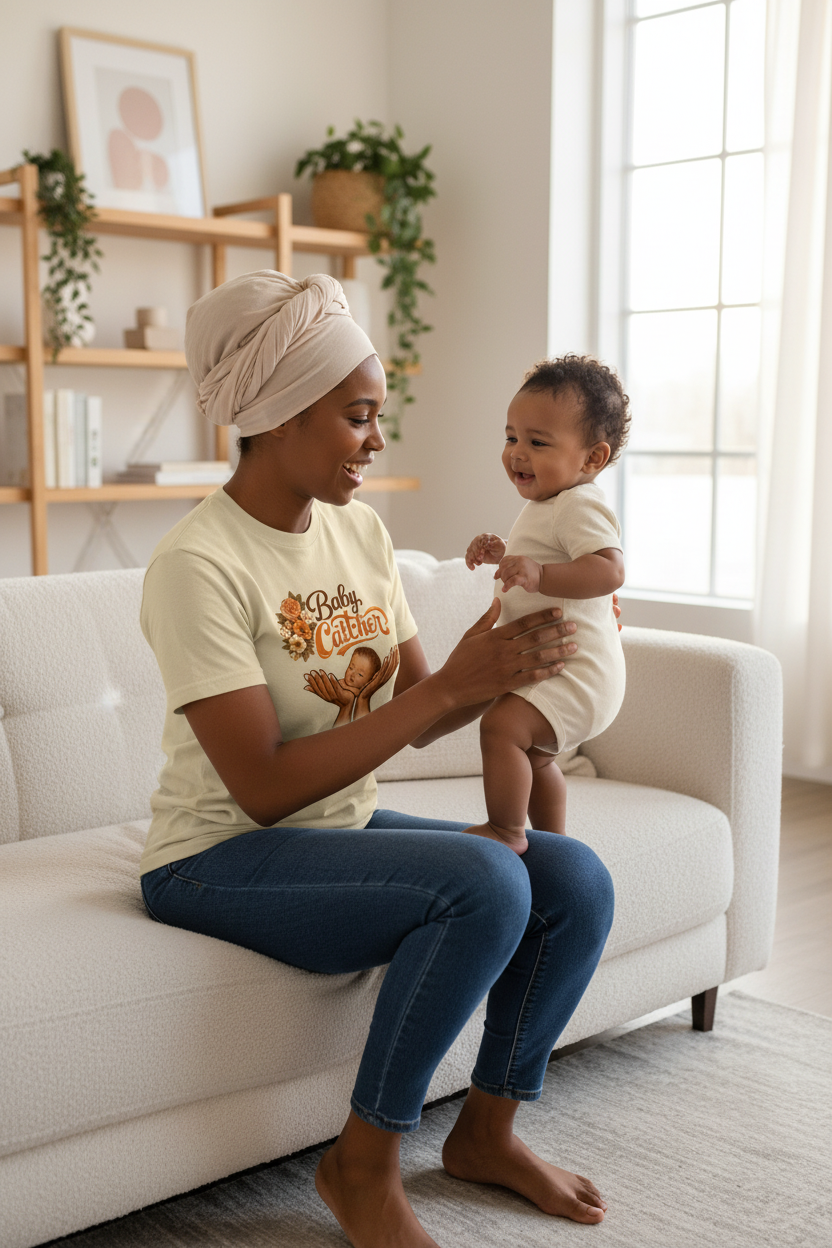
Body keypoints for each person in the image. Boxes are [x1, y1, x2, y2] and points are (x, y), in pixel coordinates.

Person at [139, 271, 616, 1248]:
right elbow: (264, 786)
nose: (377, 438)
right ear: (278, 415)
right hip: (213, 858)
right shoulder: (200, 564)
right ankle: (360, 1164)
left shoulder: (360, 533)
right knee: (485, 881)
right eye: (358, 416)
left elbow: (420, 709)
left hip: (335, 828)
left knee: (572, 875)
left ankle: (486, 1133)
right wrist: (449, 689)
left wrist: (524, 640)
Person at [465, 357, 628, 853]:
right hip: (563, 667)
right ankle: (555, 844)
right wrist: (507, 556)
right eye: (511, 437)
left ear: (591, 459)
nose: (517, 453)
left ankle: (506, 830)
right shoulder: (549, 506)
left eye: (537, 442)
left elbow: (610, 570)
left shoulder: (580, 503)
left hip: (575, 670)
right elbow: (543, 560)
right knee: (535, 758)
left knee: (502, 727)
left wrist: (538, 574)